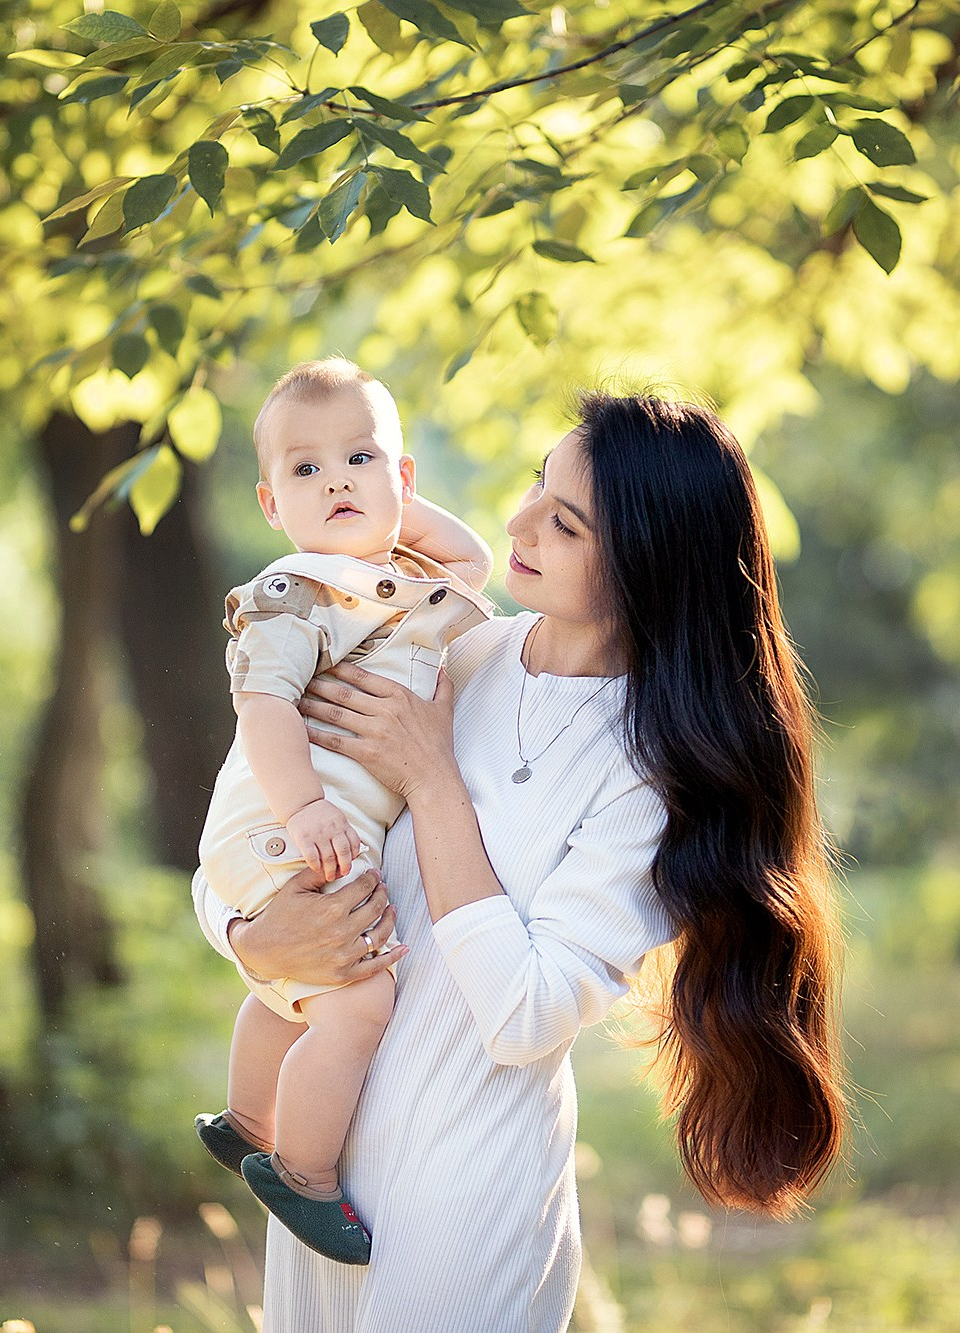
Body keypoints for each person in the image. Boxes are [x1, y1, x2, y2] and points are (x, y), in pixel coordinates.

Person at [193, 391, 847, 1331]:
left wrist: (431, 780)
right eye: (538, 484)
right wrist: (253, 934)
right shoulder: (439, 650)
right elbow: (243, 828)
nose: (519, 522)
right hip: (321, 1175)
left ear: (644, 565)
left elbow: (526, 1012)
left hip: (468, 1193)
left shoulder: (652, 771)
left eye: (565, 521)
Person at [194, 358, 494, 1264]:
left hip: (300, 827)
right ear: (269, 505)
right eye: (306, 470)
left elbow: (472, 564)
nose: (336, 482)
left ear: (402, 479)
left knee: (298, 987)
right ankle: (304, 1173)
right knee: (359, 998)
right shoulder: (297, 594)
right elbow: (263, 709)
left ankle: (247, 1120)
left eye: (360, 458)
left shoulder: (385, 584)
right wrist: (307, 806)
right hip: (285, 819)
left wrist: (391, 505)